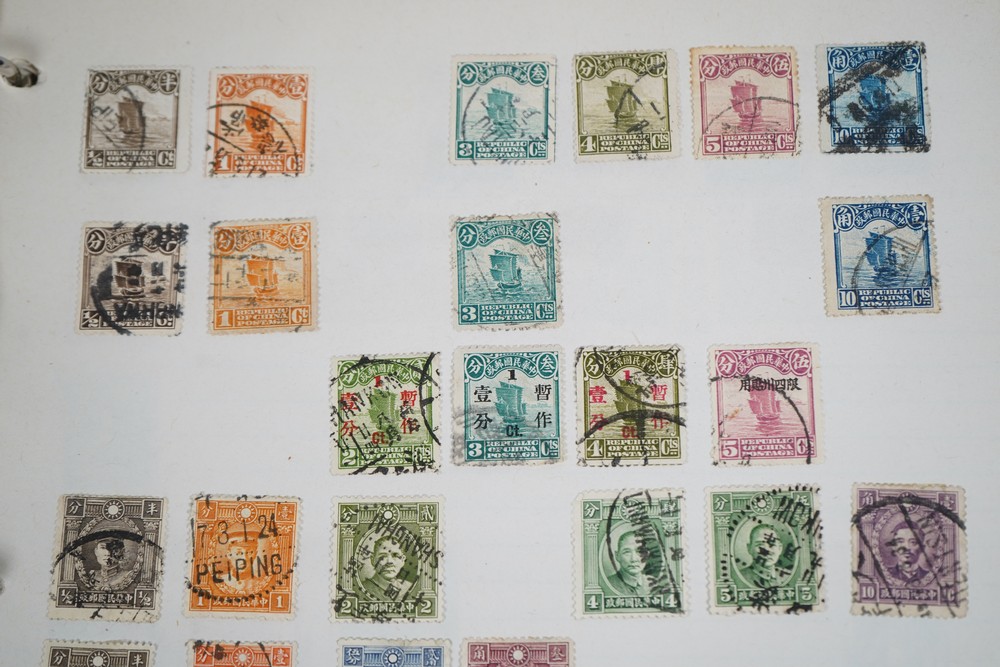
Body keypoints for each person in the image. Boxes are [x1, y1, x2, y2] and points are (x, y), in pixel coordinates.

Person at [358, 534, 413, 601]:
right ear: (373, 560)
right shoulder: (362, 588)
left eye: (395, 555)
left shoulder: (408, 588)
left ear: (403, 560)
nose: (389, 561)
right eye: (382, 557)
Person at [606, 530, 651, 596]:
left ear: (647, 555)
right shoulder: (608, 584)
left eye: (640, 551)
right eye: (627, 552)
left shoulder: (655, 585)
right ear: (617, 556)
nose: (633, 559)